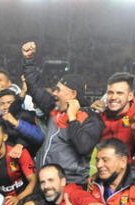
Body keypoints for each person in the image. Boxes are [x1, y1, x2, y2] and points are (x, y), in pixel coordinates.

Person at [21, 41, 104, 185]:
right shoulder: (54, 108)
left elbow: (83, 147)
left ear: (72, 94)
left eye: (58, 90)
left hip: (71, 187)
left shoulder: (92, 118)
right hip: (45, 183)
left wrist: (72, 118)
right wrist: (29, 60)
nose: (54, 93)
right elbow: (33, 87)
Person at [0, 119, 37, 205]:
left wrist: (18, 198)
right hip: (0, 203)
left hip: (24, 199)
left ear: (5, 137)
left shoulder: (18, 153)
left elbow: (33, 180)